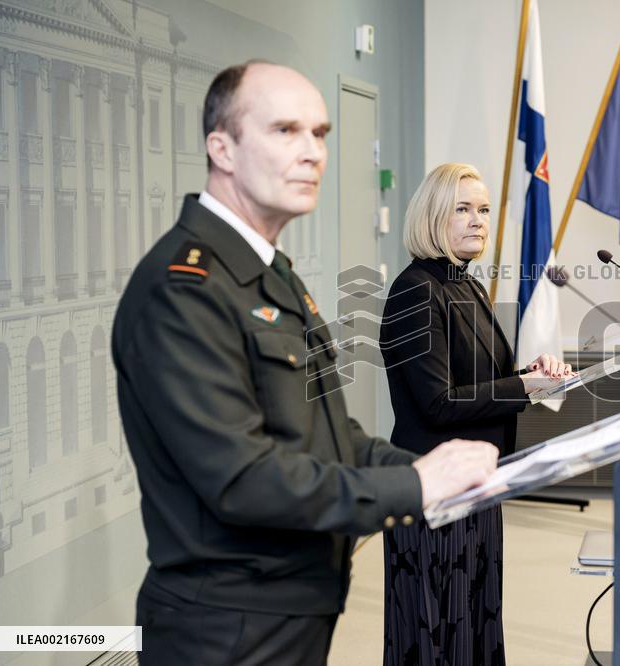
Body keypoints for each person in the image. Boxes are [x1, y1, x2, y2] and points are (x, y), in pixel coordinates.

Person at [111, 62, 499, 666]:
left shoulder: (272, 276)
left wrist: (435, 467)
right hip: (227, 627)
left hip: (293, 608)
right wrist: (416, 484)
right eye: (285, 130)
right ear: (223, 148)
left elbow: (328, 433)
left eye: (320, 133)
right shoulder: (184, 290)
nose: (312, 152)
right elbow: (243, 479)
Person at [377, 163, 572, 665]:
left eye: (483, 210)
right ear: (432, 216)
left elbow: (486, 380)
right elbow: (440, 403)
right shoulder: (416, 290)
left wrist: (533, 373)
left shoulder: (465, 285)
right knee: (437, 638)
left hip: (478, 486)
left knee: (473, 630)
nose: (477, 221)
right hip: (434, 495)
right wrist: (523, 386)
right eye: (462, 209)